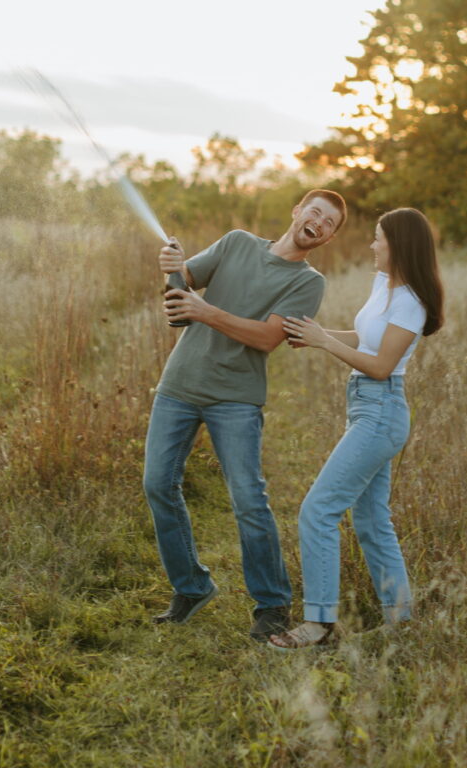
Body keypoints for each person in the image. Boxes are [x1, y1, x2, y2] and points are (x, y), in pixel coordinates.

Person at [143, 189, 347, 641]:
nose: (318, 221)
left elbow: (266, 338)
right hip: (179, 386)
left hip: (236, 398)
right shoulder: (236, 242)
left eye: (328, 222)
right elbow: (183, 284)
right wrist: (172, 265)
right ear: (296, 212)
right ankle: (191, 587)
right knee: (158, 484)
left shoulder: (308, 283)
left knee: (249, 502)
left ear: (328, 238)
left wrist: (205, 309)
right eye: (313, 211)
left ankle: (272, 604)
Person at [268, 207, 444, 650]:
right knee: (371, 521)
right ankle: (401, 621)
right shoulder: (385, 286)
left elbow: (383, 366)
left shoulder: (411, 302)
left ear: (399, 245)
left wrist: (325, 343)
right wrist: (317, 332)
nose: (372, 245)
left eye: (378, 238)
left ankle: (318, 624)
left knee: (318, 510)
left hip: (381, 411)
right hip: (365, 406)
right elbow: (365, 339)